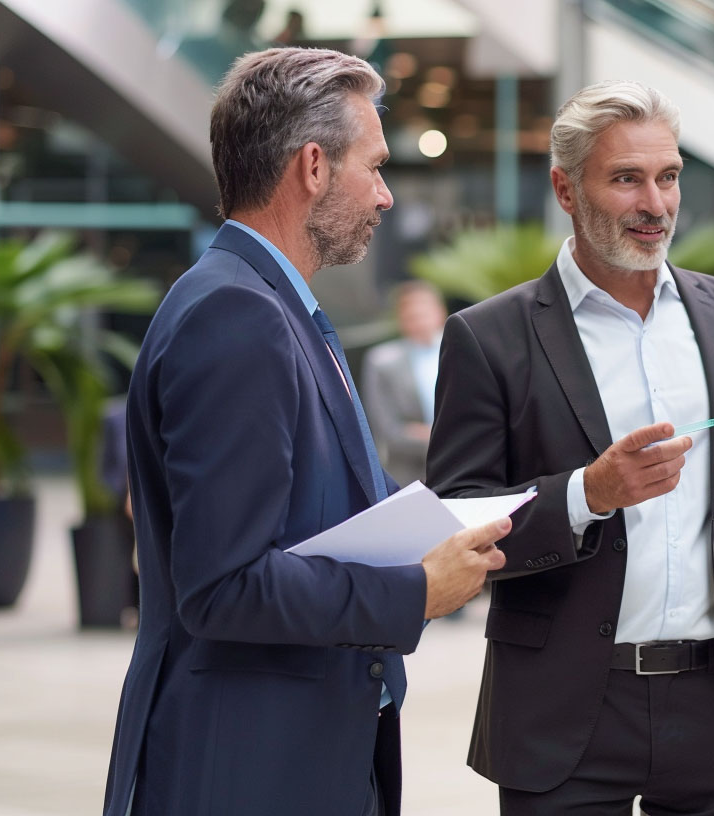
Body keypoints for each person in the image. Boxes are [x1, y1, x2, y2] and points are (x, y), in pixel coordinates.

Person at [102, 48, 508, 816]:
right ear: (314, 167)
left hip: (288, 754)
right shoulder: (239, 316)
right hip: (247, 768)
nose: (386, 196)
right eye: (375, 166)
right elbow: (223, 586)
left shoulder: (270, 307)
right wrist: (416, 591)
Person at [427, 80, 714, 815]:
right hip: (563, 708)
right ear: (565, 189)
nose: (656, 204)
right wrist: (586, 495)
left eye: (667, 177)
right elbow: (460, 515)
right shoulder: (489, 338)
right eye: (626, 179)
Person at [361, 281, 446, 486]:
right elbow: (388, 430)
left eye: (423, 313)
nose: (419, 322)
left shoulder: (463, 352)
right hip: (411, 477)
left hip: (467, 469)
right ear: (400, 320)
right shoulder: (381, 362)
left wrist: (424, 431)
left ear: (440, 312)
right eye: (411, 316)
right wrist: (447, 437)